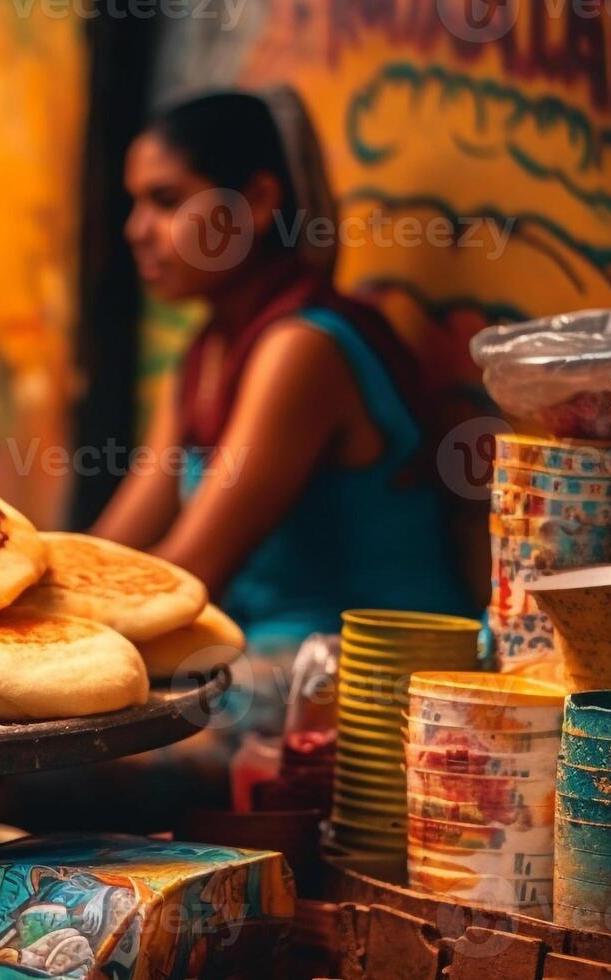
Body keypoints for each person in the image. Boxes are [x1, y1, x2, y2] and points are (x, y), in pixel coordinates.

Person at [94, 87, 473, 672]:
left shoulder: (303, 349)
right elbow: (111, 549)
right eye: (135, 204)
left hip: (368, 680)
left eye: (166, 201)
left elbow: (188, 575)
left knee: (77, 754)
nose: (136, 230)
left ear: (257, 202)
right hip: (263, 655)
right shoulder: (204, 353)